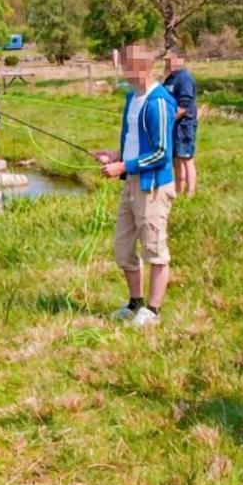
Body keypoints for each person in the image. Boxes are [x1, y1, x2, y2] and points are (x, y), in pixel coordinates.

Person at [94, 41, 177, 327]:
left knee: (154, 249)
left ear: (144, 68)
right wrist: (114, 155)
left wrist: (123, 166)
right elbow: (133, 142)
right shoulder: (132, 98)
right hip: (131, 184)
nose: (125, 75)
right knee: (123, 248)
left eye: (128, 70)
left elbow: (161, 153)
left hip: (153, 186)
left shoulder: (159, 102)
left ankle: (153, 311)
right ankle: (135, 303)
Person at [162, 50, 198, 196]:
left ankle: (190, 193)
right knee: (176, 158)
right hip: (172, 125)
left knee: (186, 158)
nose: (168, 64)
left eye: (170, 61)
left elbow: (184, 105)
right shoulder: (169, 79)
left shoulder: (185, 78)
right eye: (166, 61)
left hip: (184, 124)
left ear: (180, 60)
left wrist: (168, 119)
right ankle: (178, 190)